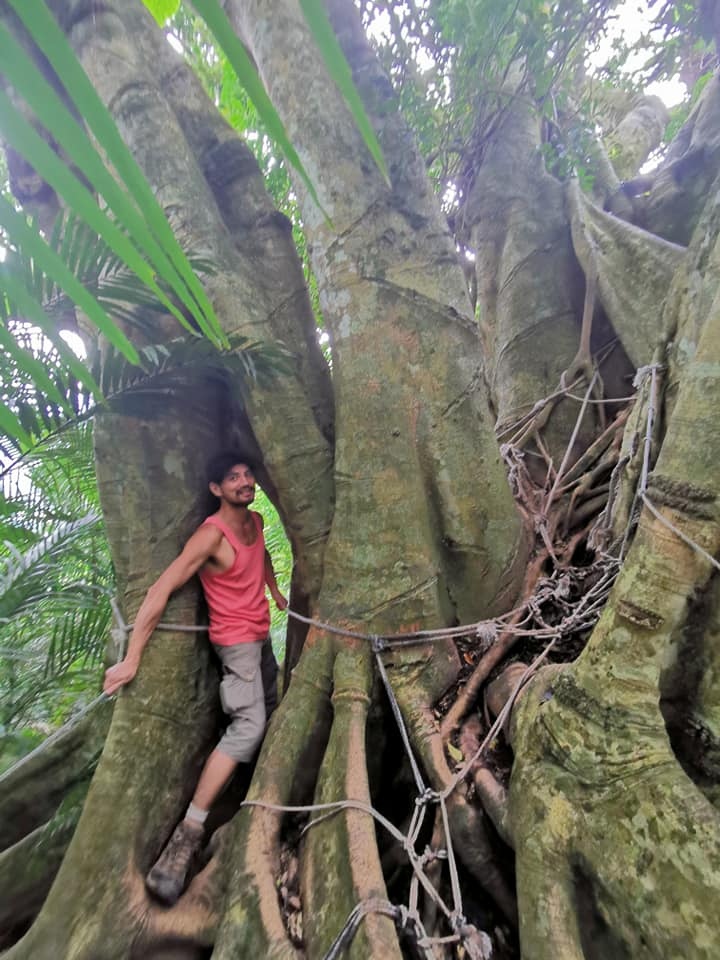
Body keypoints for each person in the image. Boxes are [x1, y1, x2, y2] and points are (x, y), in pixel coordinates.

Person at [103, 452, 287, 905]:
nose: (245, 482)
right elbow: (161, 589)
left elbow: (260, 557)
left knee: (276, 707)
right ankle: (189, 831)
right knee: (248, 728)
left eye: (247, 475)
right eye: (233, 478)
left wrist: (276, 591)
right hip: (236, 646)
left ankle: (259, 793)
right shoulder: (210, 536)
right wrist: (131, 659)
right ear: (215, 489)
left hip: (262, 637)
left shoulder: (257, 520)